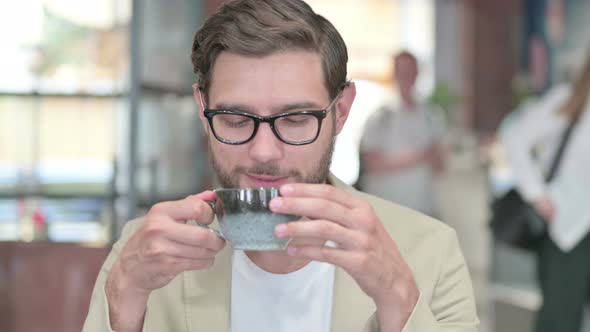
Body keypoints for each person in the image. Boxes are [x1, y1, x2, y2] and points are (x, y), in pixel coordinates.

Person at [83, 1, 478, 331]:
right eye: (236, 120)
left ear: (340, 111)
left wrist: (399, 296)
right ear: (204, 111)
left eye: (295, 119)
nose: (264, 151)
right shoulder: (143, 251)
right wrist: (123, 297)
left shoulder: (431, 252)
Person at [500, 50, 590, 332]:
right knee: (559, 322)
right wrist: (538, 195)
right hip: (568, 231)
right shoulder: (571, 99)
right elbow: (515, 137)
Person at [358, 51, 445, 217]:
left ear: (417, 74)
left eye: (411, 71)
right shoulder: (380, 117)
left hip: (423, 210)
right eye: (402, 71)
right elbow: (373, 165)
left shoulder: (431, 116)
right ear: (394, 75)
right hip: (388, 212)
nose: (407, 76)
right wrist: (421, 156)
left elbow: (440, 165)